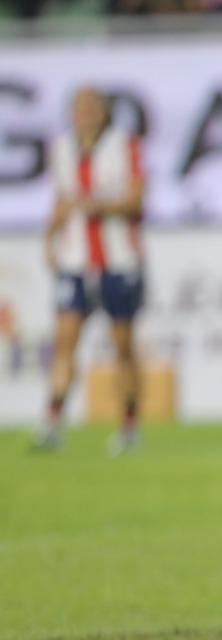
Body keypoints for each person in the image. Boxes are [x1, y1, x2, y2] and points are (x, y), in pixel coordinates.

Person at [35, 87, 145, 454]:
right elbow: (61, 202)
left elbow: (136, 198)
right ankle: (52, 422)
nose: (84, 114)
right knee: (65, 339)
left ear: (103, 112)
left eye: (91, 107)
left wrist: (96, 204)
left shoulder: (123, 145)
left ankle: (129, 426)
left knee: (122, 346)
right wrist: (49, 239)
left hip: (119, 259)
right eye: (78, 107)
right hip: (76, 260)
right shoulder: (62, 150)